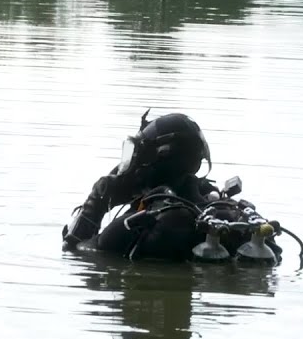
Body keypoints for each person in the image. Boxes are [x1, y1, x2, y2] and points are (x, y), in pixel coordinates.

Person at [61, 110, 222, 260]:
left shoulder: (132, 225)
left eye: (138, 154)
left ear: (157, 158)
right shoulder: (212, 210)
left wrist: (96, 202)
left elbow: (78, 251)